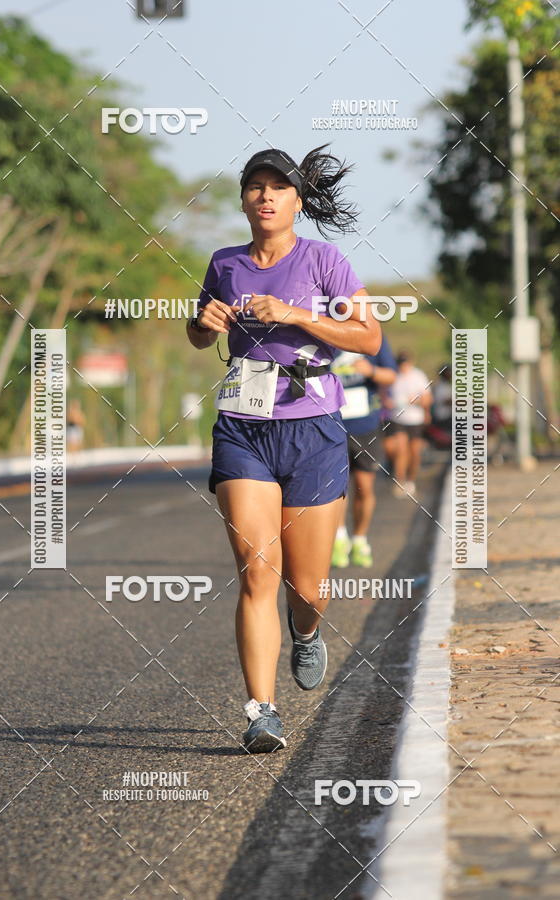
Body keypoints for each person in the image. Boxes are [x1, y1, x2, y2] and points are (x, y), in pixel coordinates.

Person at [186, 145, 380, 753]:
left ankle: (308, 632)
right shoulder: (224, 262)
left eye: (278, 187)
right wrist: (204, 324)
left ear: (298, 199)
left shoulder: (324, 260)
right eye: (255, 187)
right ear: (243, 199)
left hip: (314, 431)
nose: (265, 196)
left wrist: (295, 313)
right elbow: (198, 332)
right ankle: (261, 711)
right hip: (243, 428)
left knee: (308, 588)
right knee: (256, 573)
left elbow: (369, 336)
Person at [330, 336, 397, 567]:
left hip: (365, 426)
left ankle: (359, 539)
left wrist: (370, 371)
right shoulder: (324, 332)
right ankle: (339, 539)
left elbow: (391, 375)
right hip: (332, 425)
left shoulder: (373, 337)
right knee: (336, 488)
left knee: (364, 487)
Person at [388, 351, 432, 497]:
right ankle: (400, 481)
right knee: (400, 450)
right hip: (398, 419)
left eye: (405, 364)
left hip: (415, 420)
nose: (403, 367)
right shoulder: (394, 375)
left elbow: (427, 399)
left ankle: (411, 480)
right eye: (401, 364)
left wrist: (418, 403)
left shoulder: (418, 376)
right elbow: (384, 394)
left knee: (414, 452)